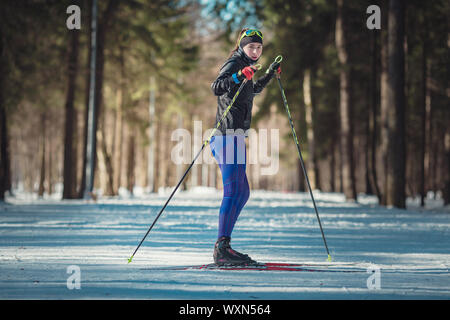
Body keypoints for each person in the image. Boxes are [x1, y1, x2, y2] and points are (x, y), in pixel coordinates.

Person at [209, 28, 281, 265]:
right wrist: (239, 75)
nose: (256, 50)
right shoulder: (234, 63)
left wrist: (268, 75)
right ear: (242, 46)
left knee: (243, 192)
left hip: (237, 136)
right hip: (225, 135)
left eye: (259, 47)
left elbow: (252, 89)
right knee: (232, 191)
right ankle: (222, 248)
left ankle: (225, 244)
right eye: (251, 46)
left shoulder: (247, 66)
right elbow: (217, 87)